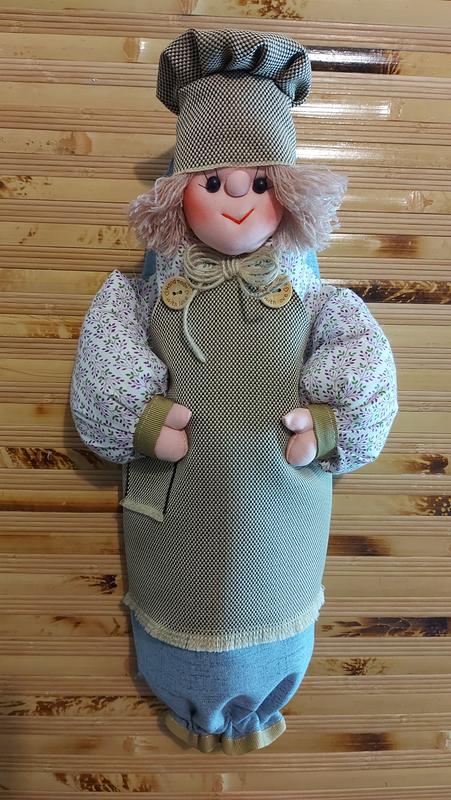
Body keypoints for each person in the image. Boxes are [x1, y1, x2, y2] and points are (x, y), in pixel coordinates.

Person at [70, 28, 398, 754]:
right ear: (177, 193)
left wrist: (330, 425)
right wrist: (141, 418)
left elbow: (365, 365)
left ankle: (262, 693)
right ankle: (187, 694)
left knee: (268, 590)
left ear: (288, 192)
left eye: (259, 182)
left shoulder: (315, 301)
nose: (238, 200)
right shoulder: (143, 296)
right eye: (213, 183)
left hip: (281, 507)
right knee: (184, 589)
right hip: (179, 510)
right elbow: (106, 365)